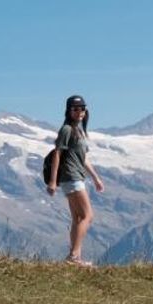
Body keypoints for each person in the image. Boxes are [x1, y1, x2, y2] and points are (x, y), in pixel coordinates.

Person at [46, 95, 104, 267]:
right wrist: (52, 181)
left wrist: (96, 179)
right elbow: (57, 154)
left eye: (82, 109)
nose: (80, 112)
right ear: (69, 111)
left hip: (76, 177)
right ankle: (73, 257)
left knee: (77, 218)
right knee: (88, 216)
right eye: (75, 109)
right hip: (71, 178)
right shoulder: (66, 130)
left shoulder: (79, 131)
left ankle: (75, 257)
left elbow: (83, 158)